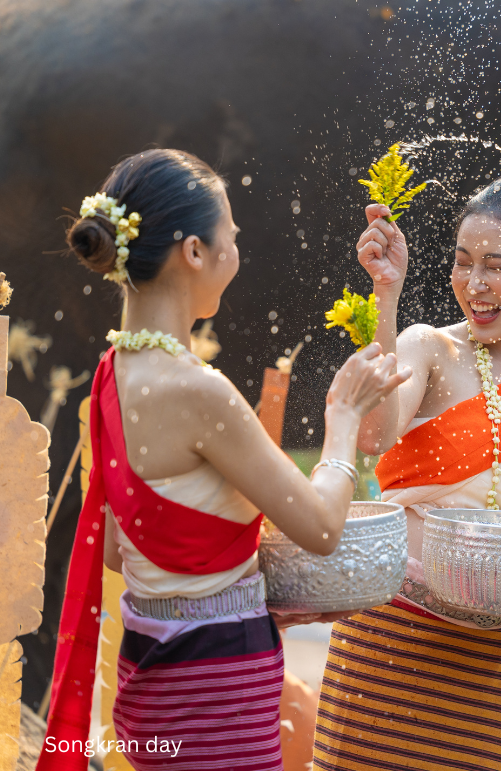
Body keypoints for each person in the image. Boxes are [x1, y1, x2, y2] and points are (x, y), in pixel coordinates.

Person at [38, 149, 409, 771]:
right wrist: (341, 421)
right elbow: (320, 528)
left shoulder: (112, 373)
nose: (236, 254)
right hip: (216, 695)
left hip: (149, 680)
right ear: (193, 253)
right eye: (230, 239)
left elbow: (115, 548)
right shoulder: (198, 391)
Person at [312, 176, 501, 770]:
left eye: (495, 266)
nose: (473, 286)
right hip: (391, 641)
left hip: (499, 663)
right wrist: (385, 295)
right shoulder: (429, 347)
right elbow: (374, 434)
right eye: (462, 264)